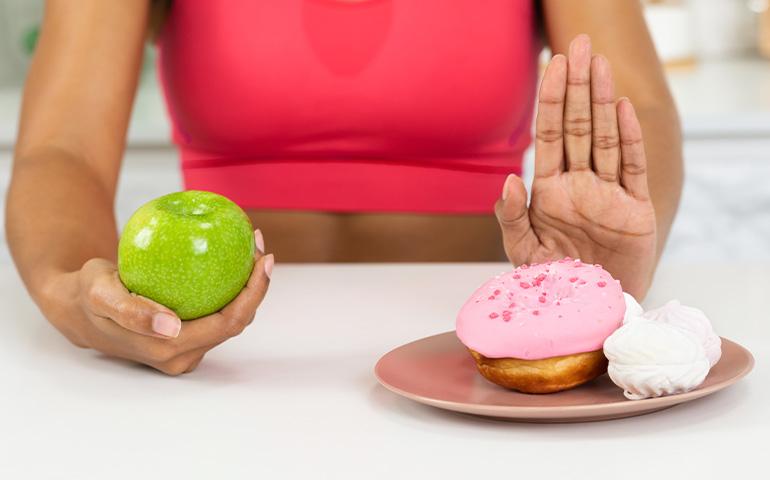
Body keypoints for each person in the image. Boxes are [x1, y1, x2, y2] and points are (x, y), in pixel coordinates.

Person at [5, 1, 681, 375]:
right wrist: (72, 291)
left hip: (469, 358)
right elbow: (61, 150)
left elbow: (638, 106)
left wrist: (599, 272)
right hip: (224, 362)